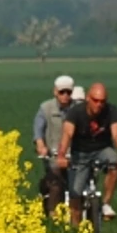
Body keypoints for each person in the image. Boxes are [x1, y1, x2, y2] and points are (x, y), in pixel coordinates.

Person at [56, 83, 117, 226]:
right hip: (80, 153)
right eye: (95, 100)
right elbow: (67, 134)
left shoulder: (111, 111)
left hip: (102, 149)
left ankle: (106, 203)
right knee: (75, 194)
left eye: (102, 101)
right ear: (88, 98)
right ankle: (76, 230)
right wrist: (61, 155)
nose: (99, 104)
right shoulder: (76, 112)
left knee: (114, 163)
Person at [33, 75, 77, 217]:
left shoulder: (78, 108)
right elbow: (38, 130)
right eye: (62, 92)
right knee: (55, 182)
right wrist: (41, 145)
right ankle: (53, 215)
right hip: (53, 155)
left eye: (68, 92)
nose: (65, 96)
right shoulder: (46, 108)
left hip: (74, 155)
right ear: (55, 92)